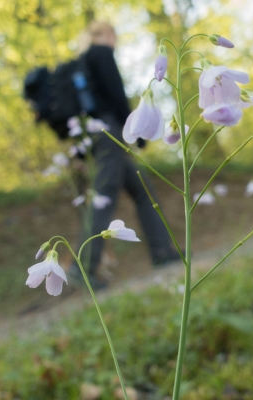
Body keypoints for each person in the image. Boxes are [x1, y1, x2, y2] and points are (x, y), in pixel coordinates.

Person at [71, 21, 179, 290]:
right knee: (104, 199)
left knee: (143, 191)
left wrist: (83, 151)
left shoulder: (80, 63)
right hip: (111, 133)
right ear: (107, 34)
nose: (116, 41)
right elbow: (116, 93)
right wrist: (139, 132)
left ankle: (163, 252)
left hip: (97, 136)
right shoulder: (101, 54)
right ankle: (82, 268)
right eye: (115, 35)